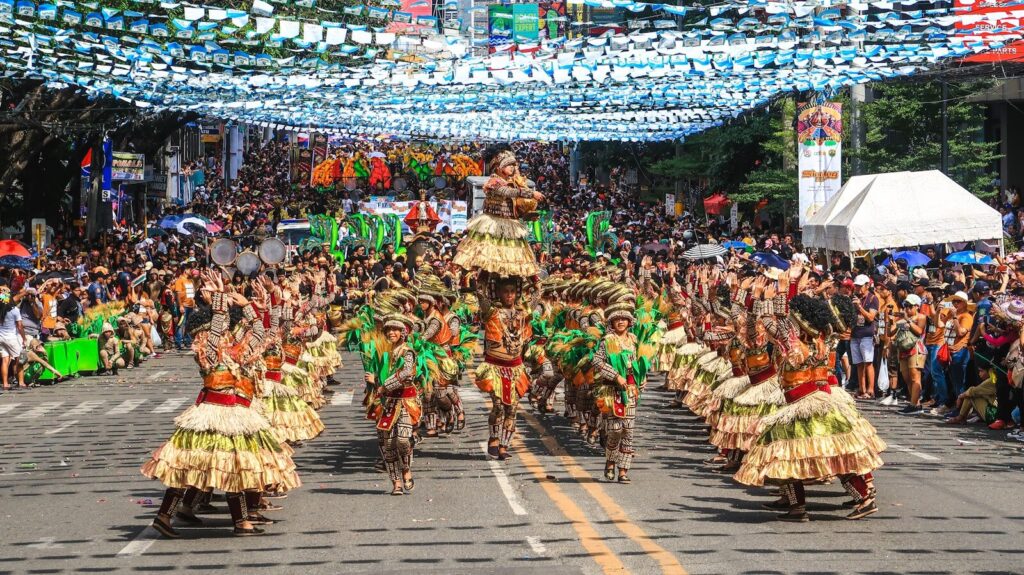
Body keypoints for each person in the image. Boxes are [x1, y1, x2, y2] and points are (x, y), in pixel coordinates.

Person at [892, 294, 927, 415]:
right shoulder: (902, 318)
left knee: (915, 377)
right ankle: (915, 403)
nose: (907, 308)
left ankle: (913, 405)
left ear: (917, 306)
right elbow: (889, 332)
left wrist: (907, 319)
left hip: (915, 348)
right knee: (907, 378)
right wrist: (889, 319)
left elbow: (919, 331)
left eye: (909, 306)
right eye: (905, 305)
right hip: (903, 349)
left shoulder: (921, 317)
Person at [944, 291, 975, 409]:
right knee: (954, 382)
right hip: (950, 350)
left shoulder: (966, 316)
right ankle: (957, 408)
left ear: (965, 303)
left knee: (960, 383)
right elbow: (940, 324)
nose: (955, 304)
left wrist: (955, 317)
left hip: (960, 351)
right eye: (954, 301)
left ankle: (961, 410)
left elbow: (961, 332)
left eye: (958, 301)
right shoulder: (953, 314)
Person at [851, 275, 879, 399]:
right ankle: (862, 389)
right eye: (856, 285)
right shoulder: (854, 297)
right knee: (859, 363)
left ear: (867, 285)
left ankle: (870, 389)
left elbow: (871, 317)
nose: (857, 288)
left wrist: (859, 307)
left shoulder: (873, 298)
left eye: (860, 286)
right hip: (855, 333)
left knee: (868, 363)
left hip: (867, 334)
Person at [0, 286, 26, 391]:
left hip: (1, 337)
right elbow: (20, 326)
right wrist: (24, 338)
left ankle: (5, 384)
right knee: (20, 359)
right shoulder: (15, 310)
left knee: (5, 360)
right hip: (11, 338)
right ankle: (21, 382)